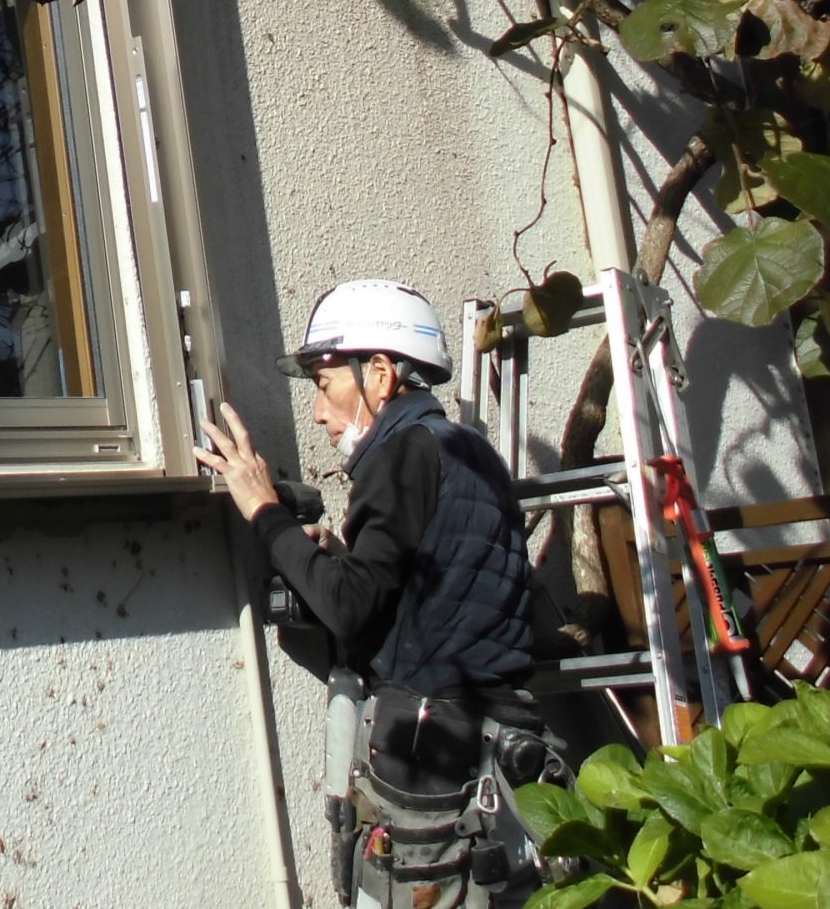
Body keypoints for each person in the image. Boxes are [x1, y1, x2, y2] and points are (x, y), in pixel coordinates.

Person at [197, 279, 559, 909]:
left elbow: (350, 607)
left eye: (325, 383)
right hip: (498, 746)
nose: (318, 411)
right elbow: (431, 596)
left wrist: (264, 511)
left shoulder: (401, 455)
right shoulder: (467, 450)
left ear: (382, 375)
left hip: (432, 762)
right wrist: (337, 558)